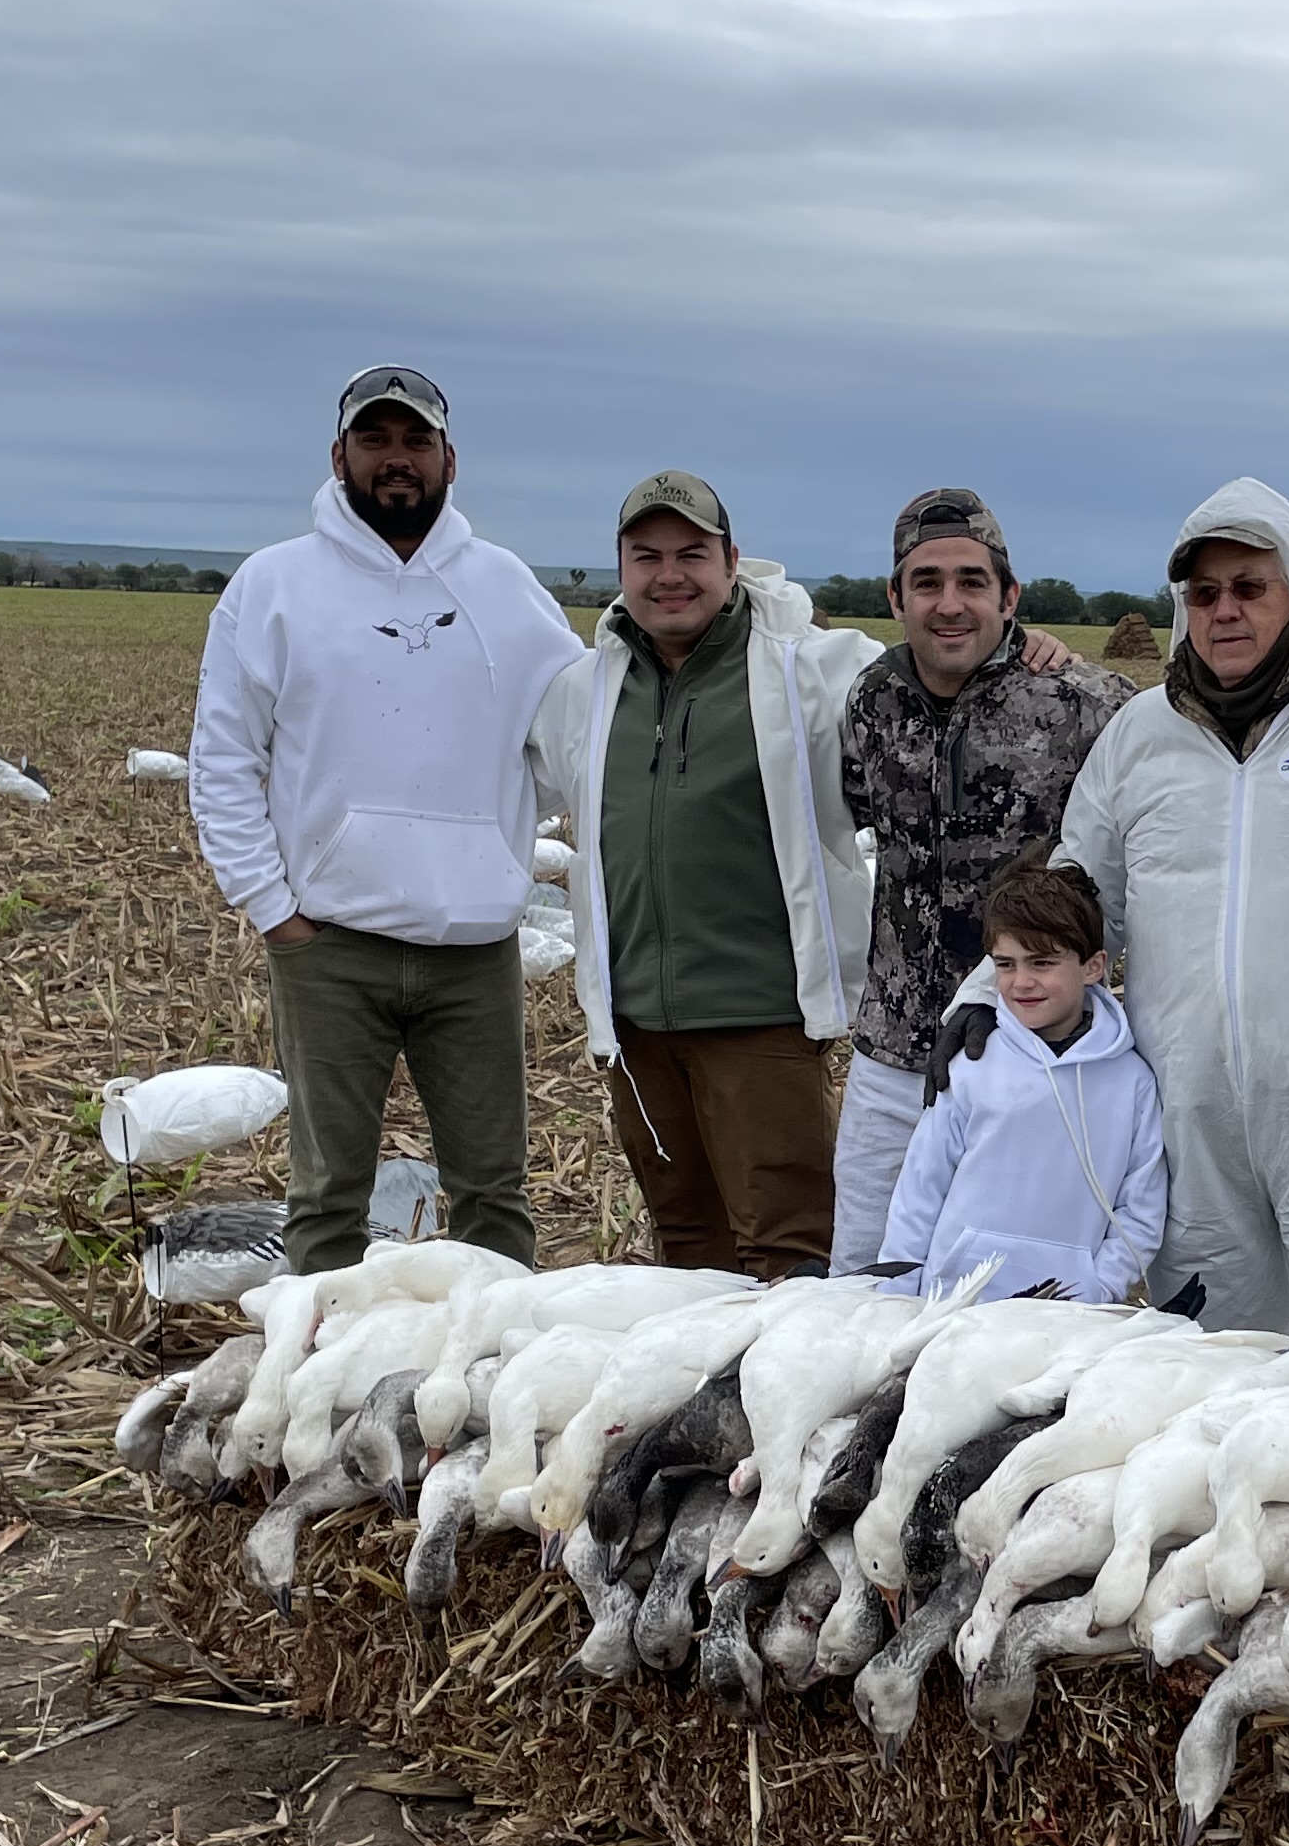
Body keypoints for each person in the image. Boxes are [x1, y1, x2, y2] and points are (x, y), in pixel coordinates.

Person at [189, 364, 584, 1271]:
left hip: (475, 949)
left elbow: (571, 742)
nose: (396, 460)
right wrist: (273, 911)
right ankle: (316, 1381)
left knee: (492, 1190)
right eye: (375, 440)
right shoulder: (272, 587)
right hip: (328, 946)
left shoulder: (507, 590)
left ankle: (491, 1377)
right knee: (327, 1195)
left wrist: (497, 832)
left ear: (450, 458)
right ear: (339, 456)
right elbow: (223, 760)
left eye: (415, 441)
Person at [1055, 482, 1289, 1345]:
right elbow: (1073, 902)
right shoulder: (1138, 735)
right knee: (1214, 1361)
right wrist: (984, 1005)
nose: (1224, 611)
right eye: (1203, 594)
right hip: (1187, 1120)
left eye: (1250, 587)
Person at [526, 472, 888, 1278]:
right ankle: (702, 1406)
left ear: (731, 559)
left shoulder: (814, 672)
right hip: (633, 1029)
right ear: (620, 567)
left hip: (759, 1017)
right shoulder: (582, 692)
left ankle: (787, 1403)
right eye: (646, 555)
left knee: (789, 1251)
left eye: (692, 553)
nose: (669, 575)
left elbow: (943, 677)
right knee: (687, 1249)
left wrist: (1025, 645)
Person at [830, 488, 1130, 1271]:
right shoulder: (872, 700)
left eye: (972, 581)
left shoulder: (1079, 702)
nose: (949, 603)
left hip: (1023, 1051)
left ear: (1010, 596)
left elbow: (1198, 731)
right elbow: (858, 805)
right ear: (896, 597)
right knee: (862, 1273)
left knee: (1000, 1286)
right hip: (892, 1050)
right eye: (926, 583)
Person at [876, 855, 1166, 1306]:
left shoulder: (1133, 1082)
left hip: (1064, 1313)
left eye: (1042, 963)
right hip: (951, 1306)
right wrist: (895, 1296)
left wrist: (1099, 1286)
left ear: (1093, 967)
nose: (1021, 982)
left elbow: (1141, 1208)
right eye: (1005, 964)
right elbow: (919, 1190)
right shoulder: (971, 1064)